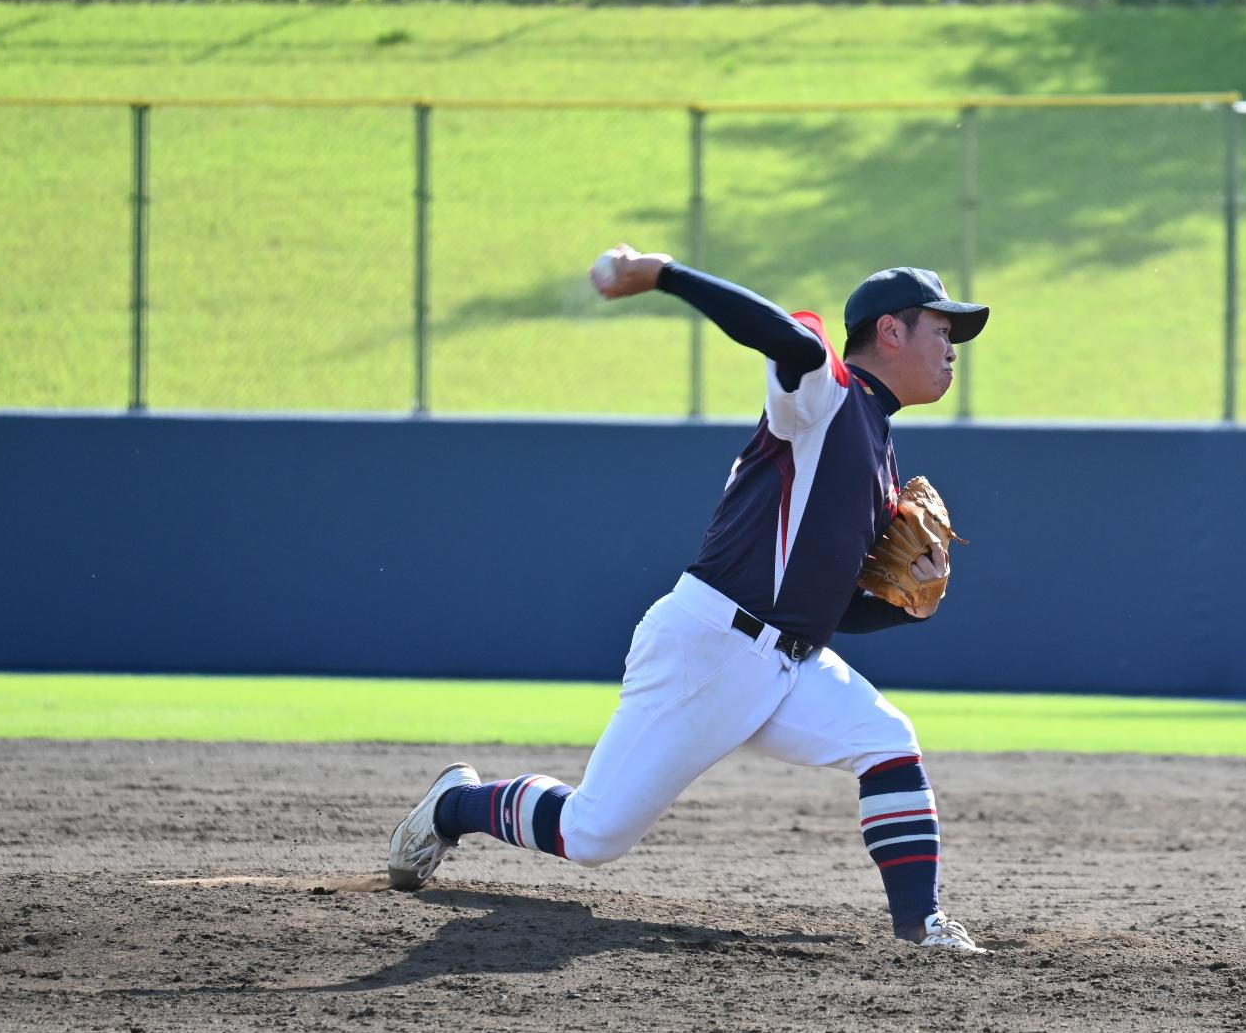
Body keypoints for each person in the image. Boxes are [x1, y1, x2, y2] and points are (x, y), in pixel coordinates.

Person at [385, 249, 991, 952]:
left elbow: (823, 607)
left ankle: (921, 927)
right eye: (941, 329)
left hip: (788, 660)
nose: (952, 347)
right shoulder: (826, 398)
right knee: (591, 833)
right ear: (890, 330)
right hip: (709, 647)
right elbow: (786, 338)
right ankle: (454, 804)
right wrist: (662, 275)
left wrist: (905, 605)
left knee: (887, 742)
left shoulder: (879, 451)